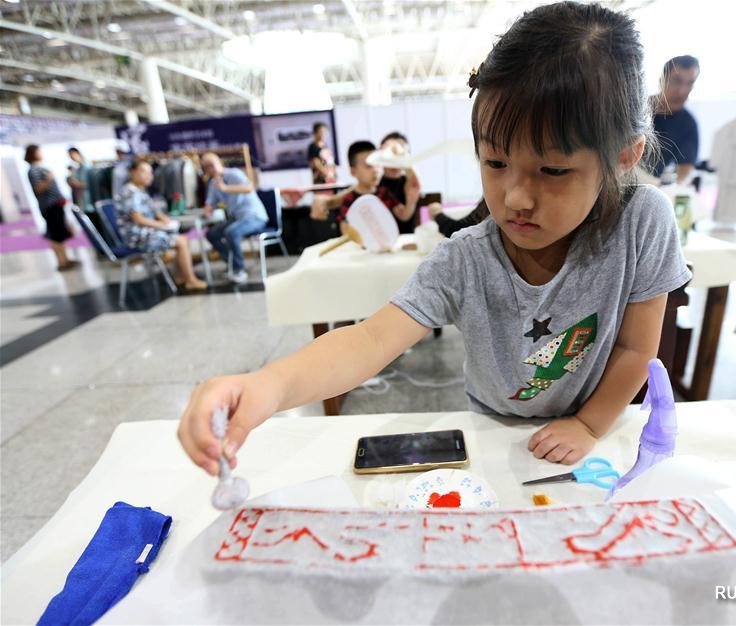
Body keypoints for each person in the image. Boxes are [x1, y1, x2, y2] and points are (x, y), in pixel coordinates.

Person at [178, 1, 690, 476]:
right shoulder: (467, 257)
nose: (515, 197)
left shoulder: (643, 221)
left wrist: (588, 425)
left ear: (624, 156)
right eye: (495, 162)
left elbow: (634, 350)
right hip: (491, 431)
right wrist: (265, 386)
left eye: (552, 169)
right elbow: (369, 340)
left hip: (597, 432)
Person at [116, 159, 207, 291]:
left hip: (145, 232)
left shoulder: (140, 190)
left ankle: (180, 275)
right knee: (181, 241)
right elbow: (138, 219)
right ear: (132, 172)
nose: (148, 176)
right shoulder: (129, 192)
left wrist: (166, 220)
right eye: (144, 172)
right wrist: (161, 225)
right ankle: (190, 280)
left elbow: (153, 211)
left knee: (183, 239)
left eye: (150, 172)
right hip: (136, 237)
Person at [200, 153, 269, 284]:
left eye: (212, 165)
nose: (210, 169)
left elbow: (249, 187)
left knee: (231, 232)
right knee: (212, 234)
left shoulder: (234, 174)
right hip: (237, 218)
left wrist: (226, 188)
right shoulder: (213, 184)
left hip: (254, 216)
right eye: (206, 167)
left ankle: (239, 270)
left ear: (219, 162)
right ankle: (231, 262)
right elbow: (210, 203)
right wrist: (207, 209)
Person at [309, 140, 408, 225]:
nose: (375, 170)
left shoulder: (390, 188)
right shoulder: (361, 191)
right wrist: (321, 201)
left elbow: (405, 214)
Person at [24, 144, 77, 271]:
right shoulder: (34, 170)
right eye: (38, 151)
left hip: (55, 205)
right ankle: (61, 262)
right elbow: (39, 188)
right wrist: (49, 178)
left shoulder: (38, 168)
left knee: (60, 234)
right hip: (50, 207)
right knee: (55, 235)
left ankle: (65, 259)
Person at [651, 55, 700, 184]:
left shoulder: (688, 124)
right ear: (662, 79)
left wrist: (672, 190)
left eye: (689, 84)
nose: (682, 91)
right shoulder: (636, 109)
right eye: (677, 81)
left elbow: (685, 169)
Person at [377, 132, 422, 233]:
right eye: (391, 154)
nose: (395, 161)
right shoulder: (375, 184)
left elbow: (415, 181)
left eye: (400, 156)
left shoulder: (410, 182)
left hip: (408, 239)